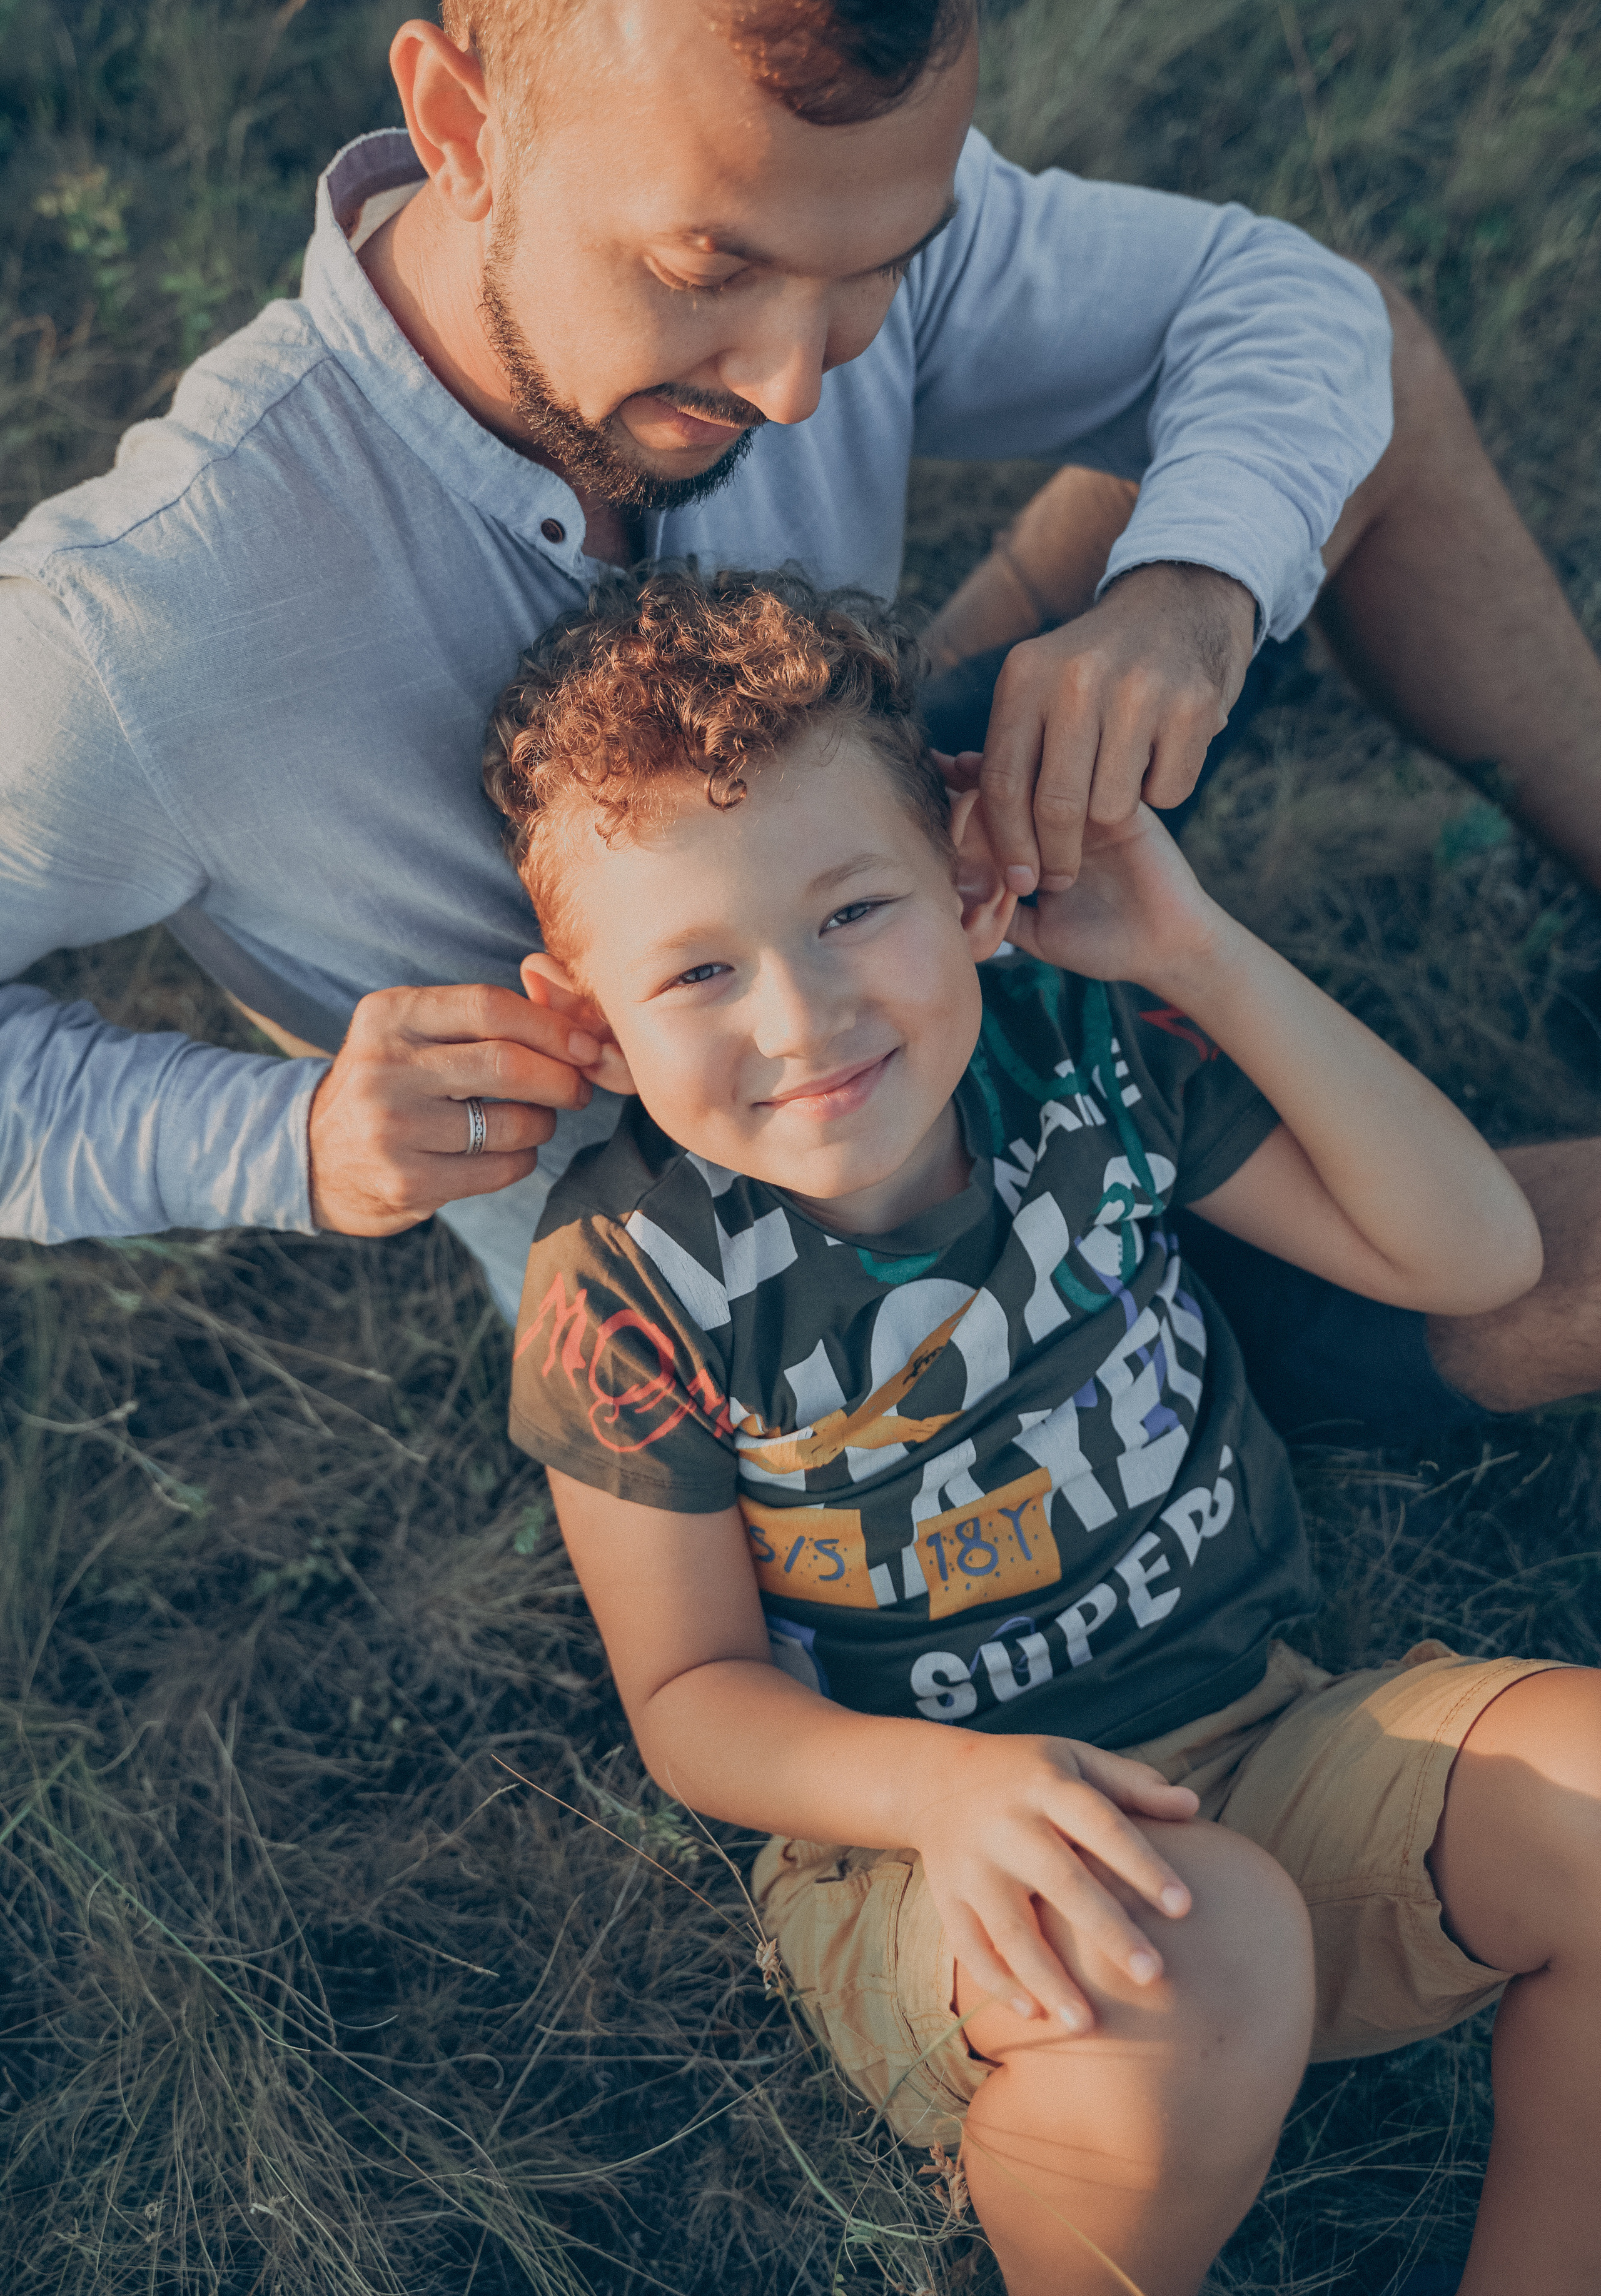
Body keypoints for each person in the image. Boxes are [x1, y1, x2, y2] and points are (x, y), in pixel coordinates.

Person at [2, 0, 1598, 1431]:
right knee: (1540, 1278)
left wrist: (1189, 597)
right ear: (460, 125)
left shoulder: (815, 189)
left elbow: (1291, 310)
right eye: (707, 274)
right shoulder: (132, 628)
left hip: (926, 845)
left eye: (879, 266)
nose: (790, 387)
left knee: (1338, 397)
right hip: (814, 1295)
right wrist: (290, 1139)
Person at [487, 566, 1600, 2296]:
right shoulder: (625, 1278)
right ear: (588, 1022)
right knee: (1203, 1946)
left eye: (854, 911)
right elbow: (692, 1699)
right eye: (697, 968)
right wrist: (942, 1789)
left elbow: (1473, 1255)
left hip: (1267, 1732)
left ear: (964, 876)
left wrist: (1194, 952)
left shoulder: (1080, 1052)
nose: (802, 1019)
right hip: (924, 1852)